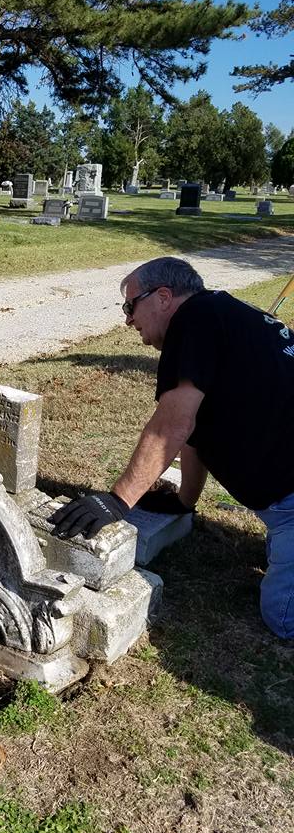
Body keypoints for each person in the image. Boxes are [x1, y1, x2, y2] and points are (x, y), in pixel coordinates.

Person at [52, 256, 294, 640]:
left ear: (163, 296)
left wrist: (117, 500)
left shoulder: (193, 321)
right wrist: (184, 500)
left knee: (283, 617)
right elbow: (194, 432)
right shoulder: (216, 315)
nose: (128, 320)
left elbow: (172, 425)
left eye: (130, 306)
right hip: (284, 503)